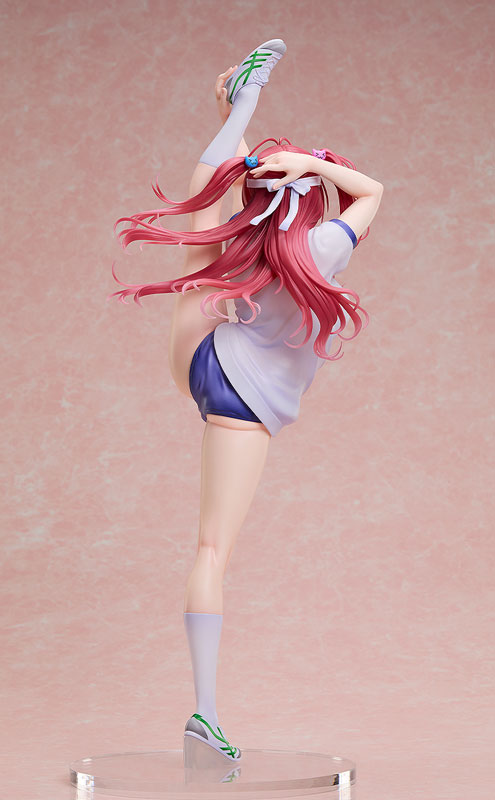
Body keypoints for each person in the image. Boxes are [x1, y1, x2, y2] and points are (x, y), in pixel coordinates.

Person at [107, 39, 383, 761]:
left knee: (204, 238)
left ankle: (241, 108)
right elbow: (373, 191)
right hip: (240, 398)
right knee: (211, 550)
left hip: (199, 356)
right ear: (309, 197)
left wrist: (246, 137)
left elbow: (222, 189)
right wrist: (312, 166)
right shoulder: (323, 248)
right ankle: (204, 714)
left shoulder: (249, 243)